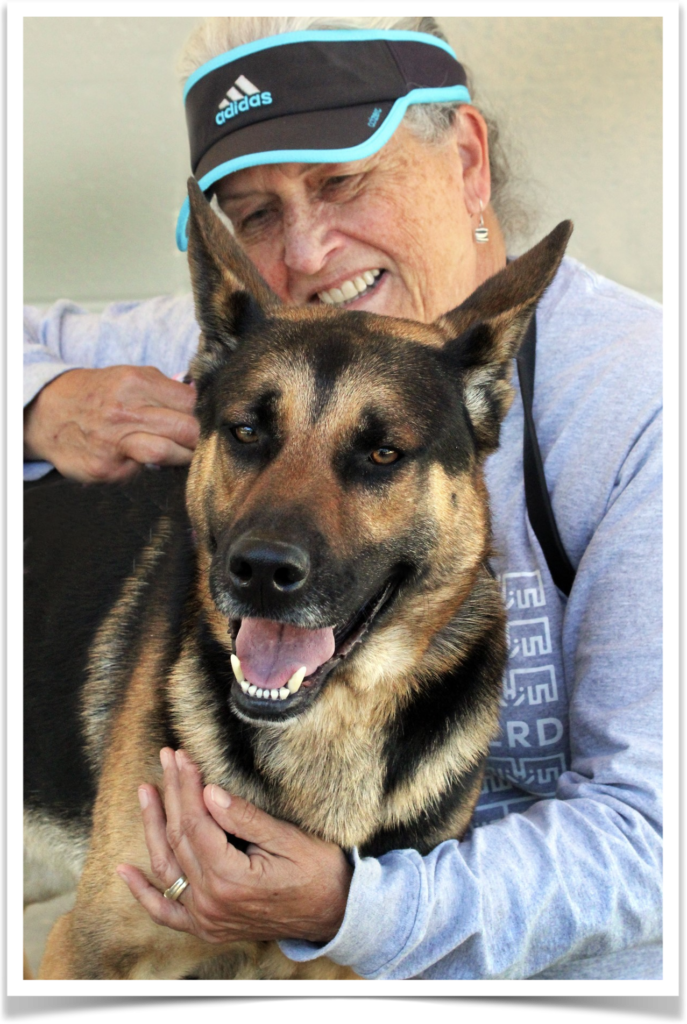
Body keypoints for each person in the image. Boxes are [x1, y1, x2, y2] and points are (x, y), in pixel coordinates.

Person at [23, 17, 662, 980]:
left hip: (519, 932)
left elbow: (653, 837)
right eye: (257, 213)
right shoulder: (260, 341)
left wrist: (348, 908)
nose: (310, 253)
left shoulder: (643, 396)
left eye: (341, 181)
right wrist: (42, 401)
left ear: (468, 162)